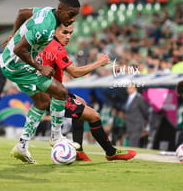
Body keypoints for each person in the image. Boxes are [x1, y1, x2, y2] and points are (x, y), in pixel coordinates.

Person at [0, 0, 81, 164]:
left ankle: (21, 146)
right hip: (16, 66)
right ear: (61, 9)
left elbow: (22, 12)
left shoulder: (46, 11)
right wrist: (40, 67)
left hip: (10, 62)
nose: (73, 19)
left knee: (42, 102)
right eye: (71, 14)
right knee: (61, 92)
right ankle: (56, 137)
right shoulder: (45, 27)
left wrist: (13, 36)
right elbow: (19, 50)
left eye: (76, 15)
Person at [38, 23, 136, 161]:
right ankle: (111, 152)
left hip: (50, 90)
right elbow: (75, 73)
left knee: (82, 103)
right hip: (51, 94)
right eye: (64, 33)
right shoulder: (56, 48)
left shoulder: (45, 43)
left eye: (70, 33)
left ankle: (78, 149)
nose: (68, 37)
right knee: (94, 116)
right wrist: (98, 63)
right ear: (54, 31)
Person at [124, 83, 150, 147]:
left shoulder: (139, 98)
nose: (128, 90)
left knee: (133, 143)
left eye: (130, 88)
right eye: (127, 88)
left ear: (135, 88)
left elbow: (145, 110)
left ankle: (132, 155)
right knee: (130, 142)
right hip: (129, 124)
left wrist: (144, 123)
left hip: (136, 124)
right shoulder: (128, 98)